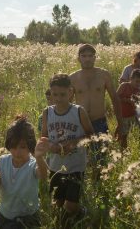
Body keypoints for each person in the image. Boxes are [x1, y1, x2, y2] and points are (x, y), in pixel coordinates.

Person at [41, 74, 94, 226]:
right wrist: (52, 146)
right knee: (57, 204)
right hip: (55, 166)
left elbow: (91, 135)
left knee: (70, 206)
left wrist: (74, 142)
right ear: (50, 93)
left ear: (70, 92)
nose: (58, 98)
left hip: (76, 166)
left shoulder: (78, 111)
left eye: (62, 94)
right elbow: (43, 138)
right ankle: (63, 222)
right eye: (54, 94)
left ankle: (79, 212)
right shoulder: (47, 112)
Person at [0, 116, 50, 229]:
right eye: (13, 147)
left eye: (22, 147)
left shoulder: (33, 164)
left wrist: (39, 157)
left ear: (31, 146)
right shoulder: (2, 162)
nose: (17, 152)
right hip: (5, 217)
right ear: (8, 145)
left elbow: (44, 176)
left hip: (29, 218)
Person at [69, 44, 122, 166]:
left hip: (99, 122)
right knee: (81, 161)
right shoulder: (72, 77)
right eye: (84, 56)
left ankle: (98, 183)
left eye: (90, 56)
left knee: (101, 160)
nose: (87, 59)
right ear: (79, 58)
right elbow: (68, 104)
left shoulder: (104, 75)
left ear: (95, 57)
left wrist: (120, 123)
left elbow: (114, 98)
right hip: (80, 124)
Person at [116, 69, 140, 150]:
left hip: (133, 114)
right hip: (123, 114)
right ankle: (123, 150)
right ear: (131, 78)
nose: (138, 84)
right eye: (137, 81)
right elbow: (116, 97)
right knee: (124, 135)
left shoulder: (138, 90)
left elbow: (139, 102)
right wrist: (126, 100)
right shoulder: (124, 85)